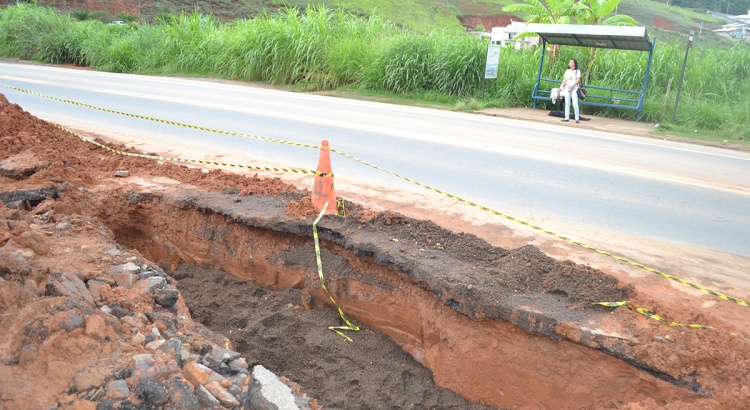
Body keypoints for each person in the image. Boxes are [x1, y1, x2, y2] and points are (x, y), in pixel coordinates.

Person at [560, 59, 581, 124]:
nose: (570, 63)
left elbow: (578, 80)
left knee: (575, 103)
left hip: (574, 88)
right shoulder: (567, 71)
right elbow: (565, 80)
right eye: (570, 62)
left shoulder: (577, 71)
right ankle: (567, 117)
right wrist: (565, 86)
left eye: (572, 62)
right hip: (567, 88)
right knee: (567, 103)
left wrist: (572, 86)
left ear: (574, 64)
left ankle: (577, 118)